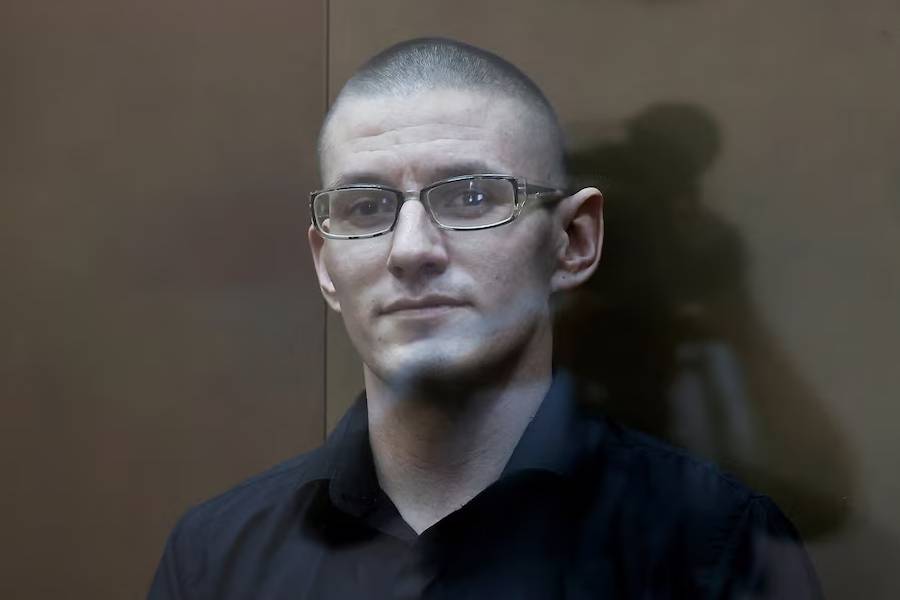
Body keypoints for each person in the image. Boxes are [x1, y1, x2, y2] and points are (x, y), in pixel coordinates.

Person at [148, 37, 822, 599]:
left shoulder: (714, 546)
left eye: (471, 196)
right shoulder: (215, 559)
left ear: (572, 242)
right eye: (365, 208)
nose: (411, 250)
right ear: (326, 266)